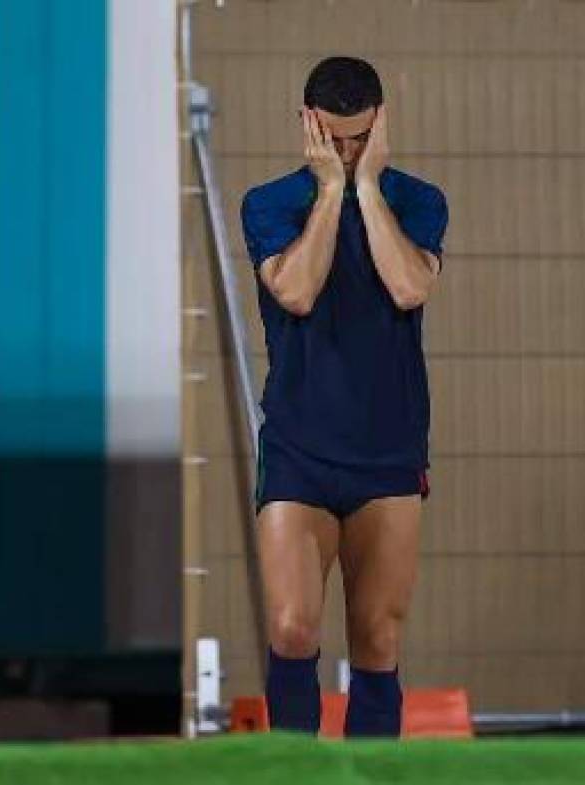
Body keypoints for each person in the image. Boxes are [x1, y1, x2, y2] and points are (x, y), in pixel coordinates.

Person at [239, 56, 448, 738]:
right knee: (293, 625)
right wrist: (331, 192)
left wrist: (366, 188)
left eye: (360, 138)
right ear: (309, 126)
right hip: (300, 448)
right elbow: (295, 290)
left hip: (386, 451)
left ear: (381, 125)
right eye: (334, 138)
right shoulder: (269, 203)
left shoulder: (419, 200)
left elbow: (410, 286)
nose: (348, 151)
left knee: (378, 637)